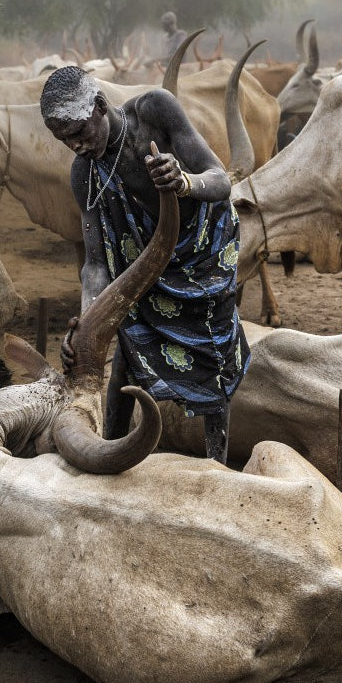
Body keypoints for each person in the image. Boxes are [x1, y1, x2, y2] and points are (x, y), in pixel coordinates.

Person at [40, 66, 249, 464]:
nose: (77, 146)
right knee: (128, 351)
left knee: (213, 357)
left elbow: (220, 180)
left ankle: (217, 466)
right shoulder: (84, 172)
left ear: (100, 106)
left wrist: (183, 181)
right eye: (64, 140)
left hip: (202, 256)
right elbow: (97, 265)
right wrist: (87, 326)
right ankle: (109, 458)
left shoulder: (155, 110)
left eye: (81, 133)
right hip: (143, 266)